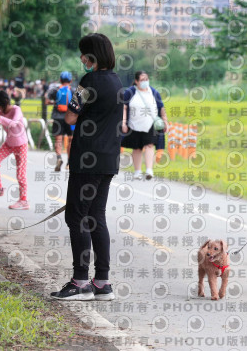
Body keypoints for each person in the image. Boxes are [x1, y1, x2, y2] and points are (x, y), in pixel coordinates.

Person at [50, 33, 123, 301]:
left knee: (77, 217)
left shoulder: (88, 82)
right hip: (108, 160)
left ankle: (80, 282)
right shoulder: (117, 82)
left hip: (86, 159)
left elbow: (70, 117)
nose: (82, 58)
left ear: (92, 56)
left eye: (84, 54)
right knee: (96, 217)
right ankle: (102, 283)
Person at [121, 71, 168, 180]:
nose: (145, 82)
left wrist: (165, 121)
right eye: (142, 80)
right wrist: (123, 122)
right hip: (134, 124)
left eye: (146, 79)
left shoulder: (154, 92)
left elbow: (161, 107)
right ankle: (137, 171)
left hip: (150, 124)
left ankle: (149, 170)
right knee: (137, 148)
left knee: (149, 145)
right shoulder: (130, 92)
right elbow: (124, 108)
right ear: (136, 81)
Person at [0, 90, 29, 210]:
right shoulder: (1, 112)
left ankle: (24, 201)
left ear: (2, 103)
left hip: (21, 145)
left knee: (20, 174)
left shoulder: (16, 110)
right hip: (9, 144)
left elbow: (14, 123)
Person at [45, 72, 74, 171]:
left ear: (60, 80)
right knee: (71, 140)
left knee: (58, 140)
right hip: (70, 118)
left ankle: (59, 158)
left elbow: (46, 100)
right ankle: (69, 163)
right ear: (71, 81)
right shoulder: (73, 90)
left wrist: (55, 103)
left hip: (57, 117)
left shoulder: (55, 90)